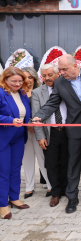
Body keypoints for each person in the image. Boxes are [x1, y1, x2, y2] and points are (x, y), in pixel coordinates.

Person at [32, 54, 81, 214]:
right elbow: (52, 103)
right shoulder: (60, 82)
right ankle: (72, 197)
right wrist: (39, 115)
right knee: (73, 163)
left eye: (64, 69)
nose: (61, 72)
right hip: (73, 128)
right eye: (60, 69)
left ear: (76, 66)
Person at [31, 64, 68, 207]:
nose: (47, 78)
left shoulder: (67, 88)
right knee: (51, 164)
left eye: (50, 74)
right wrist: (40, 137)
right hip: (49, 133)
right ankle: (55, 192)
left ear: (58, 74)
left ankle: (65, 189)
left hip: (67, 132)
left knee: (66, 162)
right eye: (44, 75)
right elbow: (36, 116)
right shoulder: (37, 93)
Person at [0, 67, 31, 219]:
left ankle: (14, 198)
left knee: (15, 169)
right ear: (5, 80)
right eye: (14, 81)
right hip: (3, 138)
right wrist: (10, 120)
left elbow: (25, 114)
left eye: (20, 81)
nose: (18, 84)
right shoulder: (1, 93)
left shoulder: (23, 94)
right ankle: (2, 205)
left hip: (19, 137)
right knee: (3, 172)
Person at [21, 67, 51, 199]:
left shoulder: (39, 92)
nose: (28, 80)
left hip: (39, 131)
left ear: (35, 78)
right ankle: (29, 187)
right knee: (27, 159)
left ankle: (51, 185)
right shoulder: (17, 93)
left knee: (43, 158)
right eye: (24, 77)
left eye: (30, 77)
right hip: (23, 131)